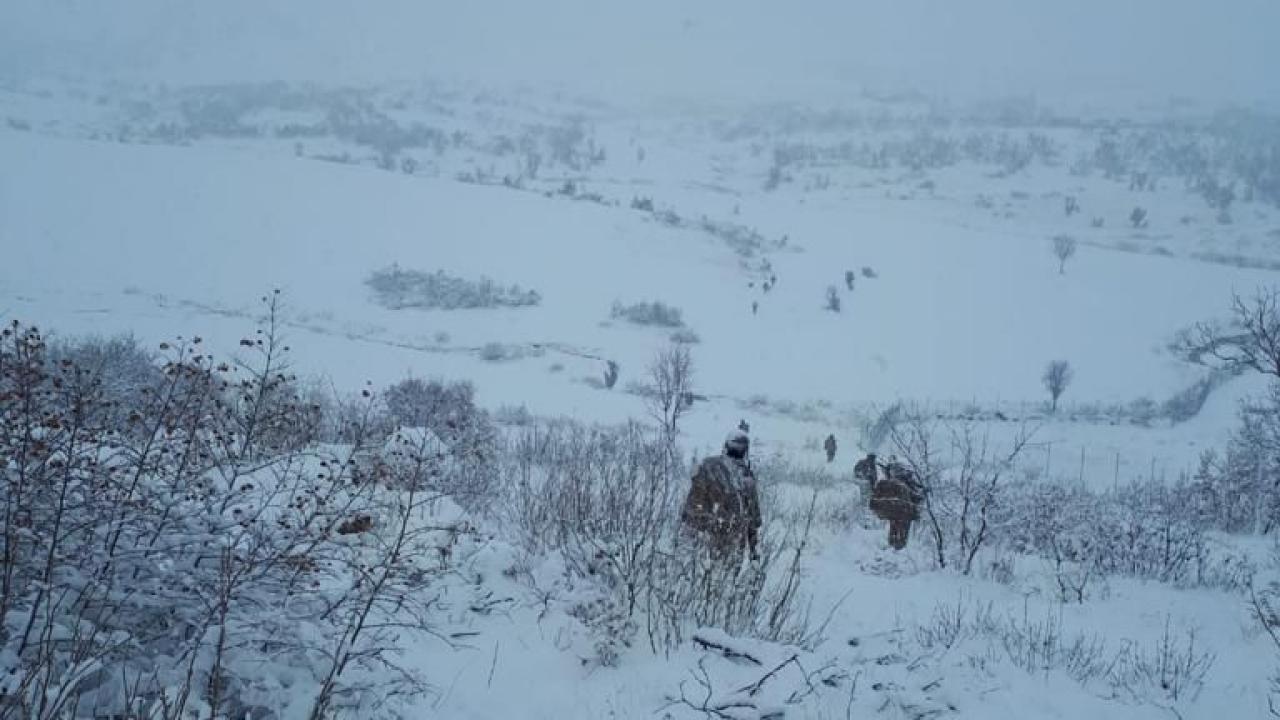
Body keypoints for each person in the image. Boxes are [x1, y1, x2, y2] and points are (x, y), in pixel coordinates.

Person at [681, 429, 762, 566]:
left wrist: (687, 539)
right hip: (727, 543)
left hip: (707, 542)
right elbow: (753, 520)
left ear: (725, 446)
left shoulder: (708, 466)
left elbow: (691, 508)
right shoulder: (744, 476)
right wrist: (754, 554)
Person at [867, 456, 925, 550]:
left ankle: (895, 546)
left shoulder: (891, 483)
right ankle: (897, 547)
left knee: (896, 529)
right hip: (903, 510)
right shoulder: (903, 482)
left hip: (898, 509)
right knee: (899, 531)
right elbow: (917, 496)